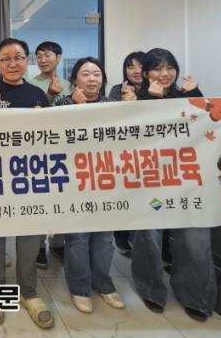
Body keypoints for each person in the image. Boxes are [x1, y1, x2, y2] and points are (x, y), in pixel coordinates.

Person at [130, 48, 215, 322]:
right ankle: (151, 290)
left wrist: (197, 94)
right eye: (157, 68)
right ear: (145, 74)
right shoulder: (135, 99)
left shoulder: (188, 96)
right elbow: (133, 136)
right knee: (149, 236)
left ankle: (196, 296)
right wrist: (150, 101)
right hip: (149, 180)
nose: (164, 74)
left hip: (188, 180)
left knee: (195, 238)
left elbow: (208, 126)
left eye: (169, 68)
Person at [0, 38, 54, 329]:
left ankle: (29, 292)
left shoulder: (37, 94)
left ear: (27, 61)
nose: (12, 63)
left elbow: (49, 137)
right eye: (6, 59)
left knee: (29, 237)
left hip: (29, 177)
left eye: (18, 57)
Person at [55, 57, 127, 314]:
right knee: (78, 237)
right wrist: (78, 108)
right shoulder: (62, 103)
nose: (92, 79)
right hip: (74, 181)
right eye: (85, 74)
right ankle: (80, 287)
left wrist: (131, 108)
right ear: (75, 79)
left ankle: (104, 283)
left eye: (96, 74)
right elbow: (56, 138)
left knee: (104, 238)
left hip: (106, 179)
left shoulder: (111, 105)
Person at [29, 41, 71, 268]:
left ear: (59, 57)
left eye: (47, 55)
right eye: (39, 56)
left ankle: (58, 243)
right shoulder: (30, 84)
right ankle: (38, 246)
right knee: (39, 198)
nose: (43, 60)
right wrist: (50, 95)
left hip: (64, 150)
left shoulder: (70, 85)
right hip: (38, 151)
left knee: (62, 198)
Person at [107, 51, 145, 255]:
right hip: (123, 155)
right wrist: (124, 101)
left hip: (150, 156)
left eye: (141, 66)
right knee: (123, 195)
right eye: (131, 67)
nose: (136, 71)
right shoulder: (117, 90)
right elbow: (113, 120)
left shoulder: (159, 90)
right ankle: (121, 238)